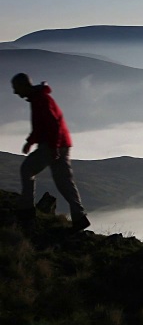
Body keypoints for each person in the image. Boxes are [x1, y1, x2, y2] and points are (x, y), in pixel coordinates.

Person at [11, 73, 90, 233]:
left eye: (17, 88)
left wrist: (53, 148)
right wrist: (30, 141)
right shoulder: (39, 98)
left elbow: (53, 125)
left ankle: (26, 212)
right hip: (61, 144)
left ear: (24, 86)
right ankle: (79, 218)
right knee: (64, 182)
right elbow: (42, 126)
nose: (15, 93)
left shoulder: (41, 100)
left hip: (53, 145)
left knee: (27, 169)